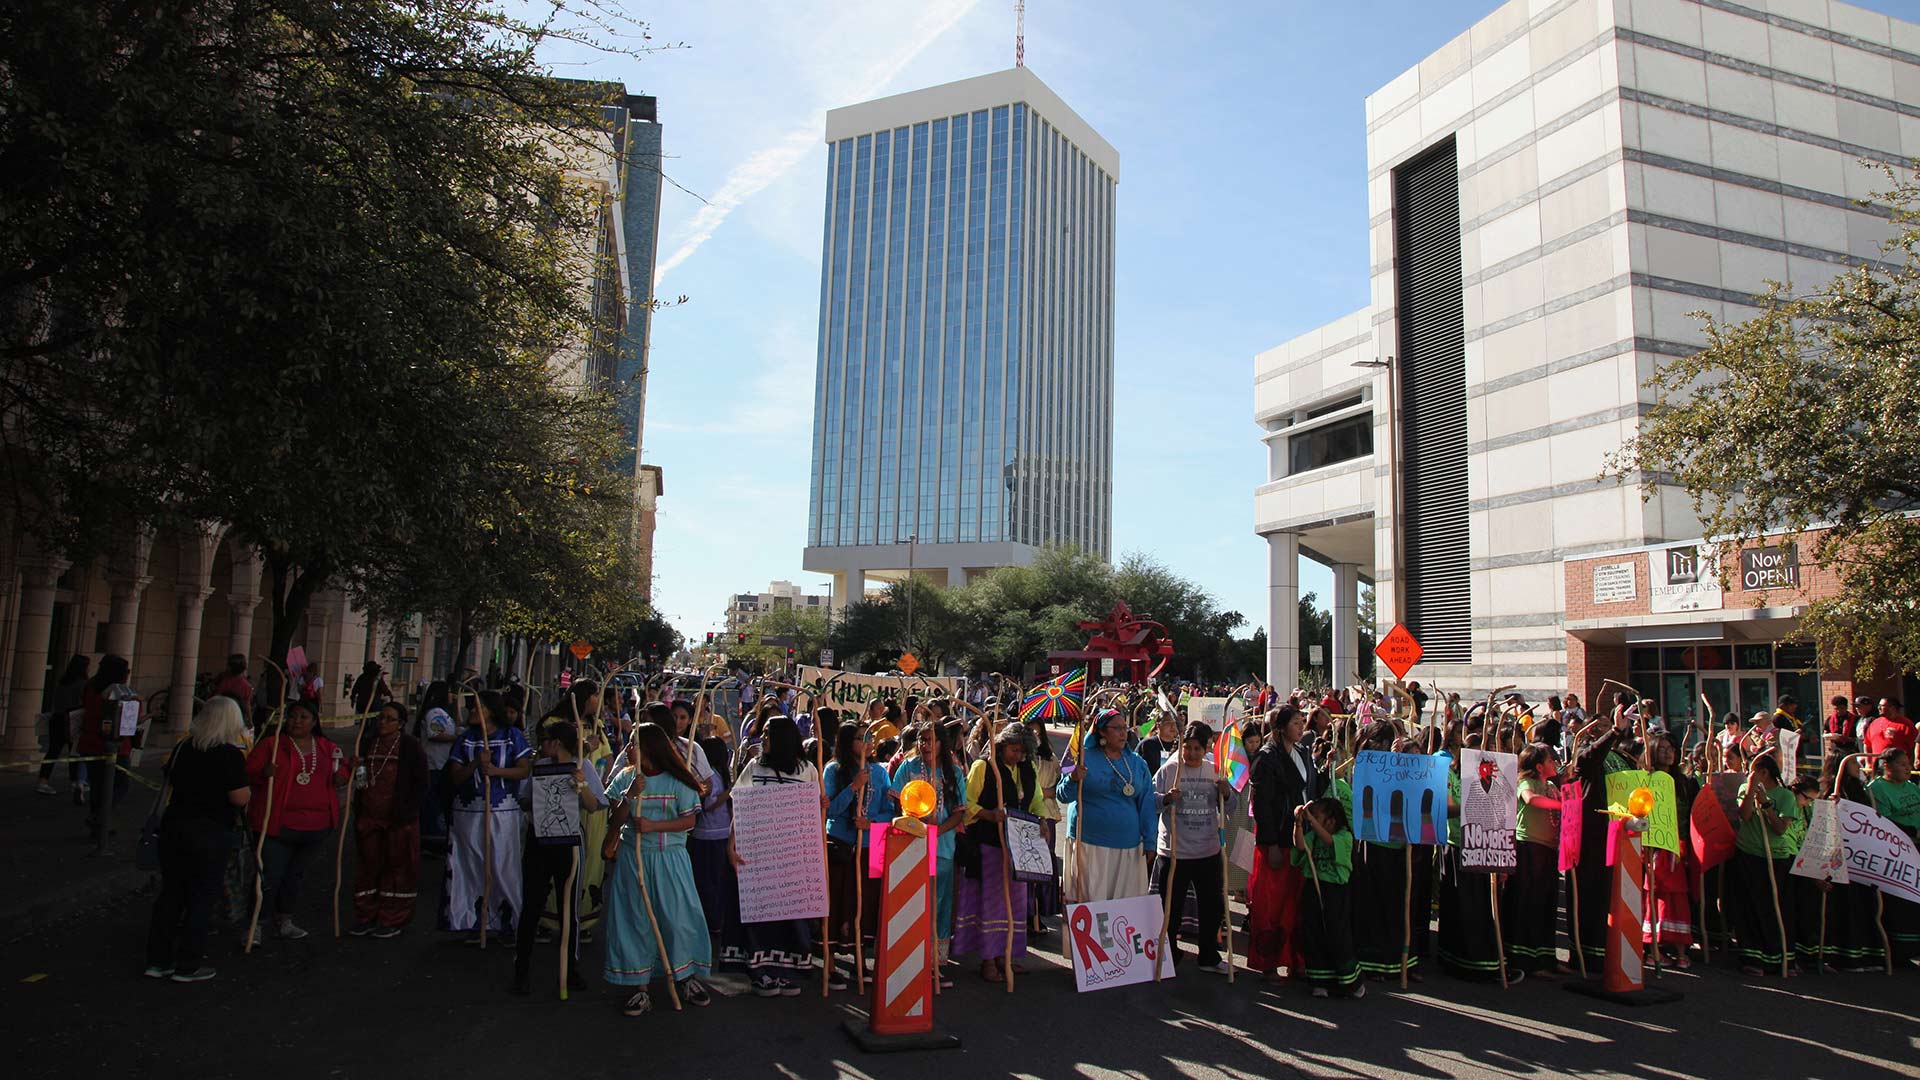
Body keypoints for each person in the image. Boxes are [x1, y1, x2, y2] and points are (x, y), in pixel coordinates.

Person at [601, 722, 712, 1015]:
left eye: (634, 743)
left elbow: (689, 821)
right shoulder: (626, 778)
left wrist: (654, 826)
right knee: (635, 920)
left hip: (669, 859)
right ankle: (640, 988)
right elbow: (615, 819)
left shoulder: (679, 780)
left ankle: (686, 977)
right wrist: (630, 795)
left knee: (677, 918)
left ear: (650, 748)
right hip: (632, 859)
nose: (628, 750)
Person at [144, 697, 251, 982]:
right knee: (201, 897)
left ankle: (157, 960)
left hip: (174, 827)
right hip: (210, 831)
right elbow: (239, 797)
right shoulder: (229, 755)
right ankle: (188, 963)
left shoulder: (182, 748)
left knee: (171, 894)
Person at [512, 720, 603, 996]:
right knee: (531, 905)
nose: (542, 745)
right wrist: (537, 798)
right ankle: (521, 970)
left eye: (546, 740)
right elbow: (525, 799)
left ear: (558, 743)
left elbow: (594, 804)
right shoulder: (538, 767)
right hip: (539, 843)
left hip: (569, 845)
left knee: (569, 910)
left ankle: (570, 968)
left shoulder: (581, 766)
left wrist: (581, 784)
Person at [245, 698, 347, 942]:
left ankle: (285, 918)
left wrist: (344, 773)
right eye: (293, 716)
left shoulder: (326, 747)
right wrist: (263, 774)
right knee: (270, 874)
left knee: (295, 875)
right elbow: (247, 773)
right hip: (277, 824)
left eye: (303, 717)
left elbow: (340, 771)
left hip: (317, 826)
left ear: (314, 722)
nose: (297, 722)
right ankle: (256, 924)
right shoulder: (271, 746)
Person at [736, 715, 821, 996]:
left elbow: (814, 813)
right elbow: (740, 803)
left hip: (792, 856)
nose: (764, 740)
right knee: (760, 917)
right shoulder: (754, 767)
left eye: (769, 735)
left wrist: (822, 805)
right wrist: (730, 844)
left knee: (790, 915)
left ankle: (785, 972)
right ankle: (760, 972)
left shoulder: (807, 769)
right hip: (759, 853)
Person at [957, 723, 1046, 984]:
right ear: (1002, 745)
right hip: (989, 844)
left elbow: (1037, 800)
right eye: (1013, 749)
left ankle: (1005, 955)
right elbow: (966, 803)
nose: (1017, 756)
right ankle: (987, 959)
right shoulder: (983, 767)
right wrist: (987, 814)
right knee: (992, 902)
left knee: (1015, 904)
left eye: (1022, 751)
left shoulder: (1028, 768)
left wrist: (1042, 820)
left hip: (1019, 847)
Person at [443, 689, 533, 939]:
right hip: (468, 813)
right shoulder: (465, 740)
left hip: (503, 812)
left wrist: (495, 771)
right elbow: (456, 776)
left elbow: (524, 770)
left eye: (477, 707)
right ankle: (473, 920)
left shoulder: (512, 736)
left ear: (491, 711)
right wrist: (475, 764)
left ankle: (507, 920)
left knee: (503, 865)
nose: (472, 711)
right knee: (471, 865)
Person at [1153, 721, 1232, 974]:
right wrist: (1166, 798)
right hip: (1174, 850)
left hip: (1207, 850)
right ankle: (1169, 956)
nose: (1192, 753)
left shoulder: (1215, 770)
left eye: (1198, 748)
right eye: (1187, 747)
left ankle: (1208, 955)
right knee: (1170, 907)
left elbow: (1230, 807)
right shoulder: (1170, 770)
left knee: (1211, 906)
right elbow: (1150, 800)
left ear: (1207, 747)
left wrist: (1227, 793)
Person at [893, 720, 968, 986]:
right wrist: (912, 823)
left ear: (942, 744)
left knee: (937, 904)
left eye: (931, 740)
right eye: (922, 740)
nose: (925, 745)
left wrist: (937, 830)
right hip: (909, 847)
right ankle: (907, 963)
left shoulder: (953, 773)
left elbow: (960, 812)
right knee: (910, 903)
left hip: (942, 848)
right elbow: (895, 801)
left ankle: (933, 964)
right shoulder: (909, 767)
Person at [1057, 708, 1157, 904]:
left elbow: (1147, 803)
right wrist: (1072, 778)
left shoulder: (1137, 763)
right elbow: (1062, 794)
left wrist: (1150, 840)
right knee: (1090, 904)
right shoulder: (1082, 757)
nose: (1123, 733)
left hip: (1128, 847)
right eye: (1117, 728)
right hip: (1089, 846)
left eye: (1125, 728)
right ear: (1102, 732)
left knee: (1122, 910)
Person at [1247, 704, 1316, 981]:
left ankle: (1295, 958)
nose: (1301, 728)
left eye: (1302, 722)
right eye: (1296, 723)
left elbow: (1310, 788)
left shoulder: (1303, 753)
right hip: (1276, 838)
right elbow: (1262, 805)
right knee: (1271, 902)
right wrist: (1271, 843)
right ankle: (1268, 960)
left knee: (1296, 901)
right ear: (1281, 727)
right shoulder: (1266, 759)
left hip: (1300, 837)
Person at [348, 701, 429, 937]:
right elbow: (362, 783)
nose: (383, 723)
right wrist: (358, 769)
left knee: (398, 868)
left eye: (389, 719)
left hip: (399, 820)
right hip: (369, 817)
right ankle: (366, 916)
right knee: (368, 867)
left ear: (401, 724)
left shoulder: (410, 746)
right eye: (381, 718)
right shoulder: (367, 743)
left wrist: (407, 811)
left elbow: (421, 782)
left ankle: (393, 918)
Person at [823, 722, 894, 989]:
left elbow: (889, 811)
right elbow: (829, 811)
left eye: (870, 737)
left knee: (866, 903)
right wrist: (853, 786)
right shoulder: (833, 770)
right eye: (860, 737)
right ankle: (829, 964)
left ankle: (860, 960)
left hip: (871, 845)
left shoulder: (880, 772)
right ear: (846, 742)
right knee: (837, 901)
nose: (868, 741)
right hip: (840, 844)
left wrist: (872, 821)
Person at [1732, 753, 1799, 976]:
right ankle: (1752, 957)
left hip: (1775, 857)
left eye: (1752, 770)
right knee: (1749, 907)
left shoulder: (1786, 796)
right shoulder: (1744, 789)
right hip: (1749, 853)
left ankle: (1781, 957)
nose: (1748, 774)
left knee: (1776, 908)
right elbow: (1744, 814)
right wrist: (1751, 791)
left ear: (1763, 773)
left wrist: (1767, 804)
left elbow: (1780, 828)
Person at [1503, 743, 1564, 977]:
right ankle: (1524, 959)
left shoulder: (1550, 785)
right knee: (1528, 902)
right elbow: (1530, 800)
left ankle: (1546, 957)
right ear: (1539, 766)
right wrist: (1561, 804)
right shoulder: (1526, 783)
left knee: (1546, 903)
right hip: (1529, 847)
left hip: (1549, 849)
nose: (1554, 764)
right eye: (1550, 761)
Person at [1294, 797, 1362, 998]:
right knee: (1314, 933)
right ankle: (1319, 980)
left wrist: (1311, 821)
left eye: (1317, 817)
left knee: (1337, 935)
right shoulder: (1313, 836)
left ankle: (1351, 981)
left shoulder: (1345, 836)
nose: (1312, 820)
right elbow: (1299, 846)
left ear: (1331, 821)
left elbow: (1330, 842)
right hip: (1314, 888)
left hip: (1335, 892)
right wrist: (1298, 822)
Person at [78, 654, 141, 855]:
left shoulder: (91, 687)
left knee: (98, 786)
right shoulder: (118, 691)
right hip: (113, 746)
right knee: (121, 784)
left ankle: (99, 823)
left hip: (90, 743)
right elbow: (131, 714)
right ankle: (100, 818)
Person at [1868, 747, 1919, 964]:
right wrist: (1914, 832)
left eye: (1908, 764)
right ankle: (1901, 952)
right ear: (1887, 766)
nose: (1908, 769)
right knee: (1903, 903)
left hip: (1918, 846)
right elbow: (1884, 823)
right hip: (1900, 851)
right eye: (1902, 765)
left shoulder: (1911, 786)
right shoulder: (1877, 788)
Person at [1024, 714, 1064, 933]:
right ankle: (1029, 915)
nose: (1035, 734)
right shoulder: (1022, 759)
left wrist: (1050, 791)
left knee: (1045, 865)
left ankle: (1040, 914)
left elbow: (1060, 779)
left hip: (1047, 814)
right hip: (1028, 814)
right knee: (1029, 865)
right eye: (1030, 731)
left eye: (1037, 730)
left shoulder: (1049, 756)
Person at [36, 655, 88, 798]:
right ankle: (75, 781)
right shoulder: (83, 683)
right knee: (75, 751)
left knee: (53, 750)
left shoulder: (62, 681)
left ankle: (43, 781)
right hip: (73, 718)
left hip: (57, 718)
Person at [417, 682, 459, 847]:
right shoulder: (435, 713)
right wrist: (457, 738)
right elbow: (435, 734)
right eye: (449, 692)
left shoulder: (444, 713)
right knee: (432, 801)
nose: (451, 695)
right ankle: (430, 836)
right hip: (434, 763)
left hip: (442, 762)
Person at [212, 654, 254, 719]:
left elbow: (216, 697)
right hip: (237, 717)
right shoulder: (247, 685)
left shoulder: (224, 681)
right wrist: (250, 720)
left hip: (222, 715)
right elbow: (247, 705)